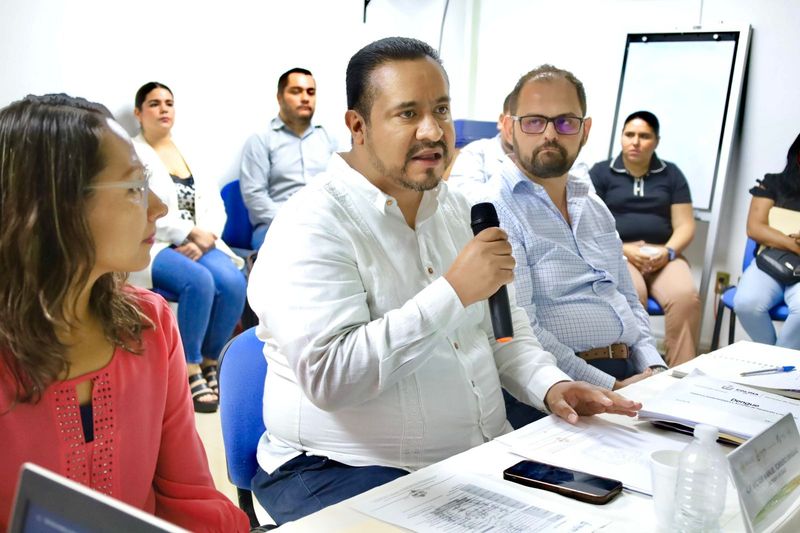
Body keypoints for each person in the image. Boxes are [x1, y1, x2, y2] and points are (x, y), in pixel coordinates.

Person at [246, 37, 641, 525]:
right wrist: (452, 292)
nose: (433, 131)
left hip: (472, 457)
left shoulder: (460, 212)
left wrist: (552, 385)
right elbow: (331, 378)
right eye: (407, 114)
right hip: (342, 466)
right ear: (358, 126)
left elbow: (505, 334)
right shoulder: (311, 225)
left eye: (442, 110)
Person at [0, 94, 249, 532]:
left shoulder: (149, 327)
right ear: (54, 205)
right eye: (134, 188)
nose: (158, 206)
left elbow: (187, 495)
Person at [486, 65, 667, 408]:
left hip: (630, 375)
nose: (550, 134)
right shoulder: (496, 208)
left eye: (566, 122)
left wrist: (654, 368)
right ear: (509, 128)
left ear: (585, 131)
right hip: (558, 387)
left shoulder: (593, 205)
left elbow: (628, 299)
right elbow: (521, 328)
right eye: (534, 121)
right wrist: (612, 385)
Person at [132, 82, 247, 413]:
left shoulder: (188, 151)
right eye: (154, 104)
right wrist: (190, 232)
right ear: (139, 113)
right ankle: (189, 367)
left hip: (200, 241)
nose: (164, 109)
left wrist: (206, 236)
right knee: (199, 281)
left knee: (233, 281)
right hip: (156, 242)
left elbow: (215, 203)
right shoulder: (133, 152)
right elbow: (142, 207)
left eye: (169, 102)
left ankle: (212, 360)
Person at [589, 111, 700, 366]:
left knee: (686, 297)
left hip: (664, 254)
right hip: (620, 253)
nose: (635, 141)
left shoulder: (672, 174)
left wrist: (668, 252)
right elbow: (590, 224)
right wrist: (624, 249)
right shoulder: (601, 173)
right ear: (621, 138)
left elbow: (685, 224)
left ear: (656, 141)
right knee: (632, 295)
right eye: (629, 134)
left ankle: (680, 373)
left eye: (644, 136)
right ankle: (639, 369)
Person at [240, 67, 338, 249]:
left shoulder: (329, 139)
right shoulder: (261, 140)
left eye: (311, 92)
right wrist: (293, 220)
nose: (305, 98)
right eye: (296, 91)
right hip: (276, 224)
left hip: (326, 223)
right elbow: (254, 195)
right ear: (279, 97)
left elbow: (342, 185)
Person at [734, 133, 800, 347]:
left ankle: (780, 370)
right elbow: (755, 227)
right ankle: (776, 360)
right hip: (770, 262)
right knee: (746, 303)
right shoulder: (773, 183)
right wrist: (792, 244)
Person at [447, 92, 513, 201]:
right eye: (517, 120)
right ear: (502, 121)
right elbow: (463, 200)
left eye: (535, 122)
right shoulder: (475, 152)